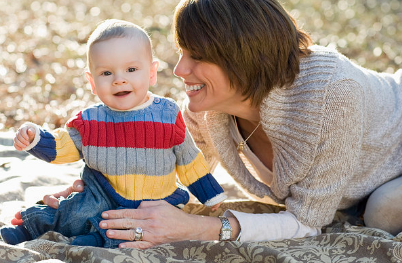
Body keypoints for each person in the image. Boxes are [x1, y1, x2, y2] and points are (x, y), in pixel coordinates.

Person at [14, 0, 402, 250]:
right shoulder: (207, 104)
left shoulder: (332, 96)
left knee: (382, 213)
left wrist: (197, 229)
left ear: (243, 57)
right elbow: (172, 172)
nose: (180, 70)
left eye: (196, 56)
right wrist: (102, 187)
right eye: (182, 52)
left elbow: (306, 225)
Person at [0, 19, 226, 248]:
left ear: (151, 73)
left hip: (155, 200)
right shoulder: (90, 121)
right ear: (92, 82)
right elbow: (65, 145)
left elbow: (189, 158)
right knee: (74, 212)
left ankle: (98, 238)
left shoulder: (167, 114)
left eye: (131, 69)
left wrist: (210, 193)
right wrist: (35, 138)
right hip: (102, 191)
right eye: (107, 72)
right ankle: (29, 226)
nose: (119, 79)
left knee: (139, 229)